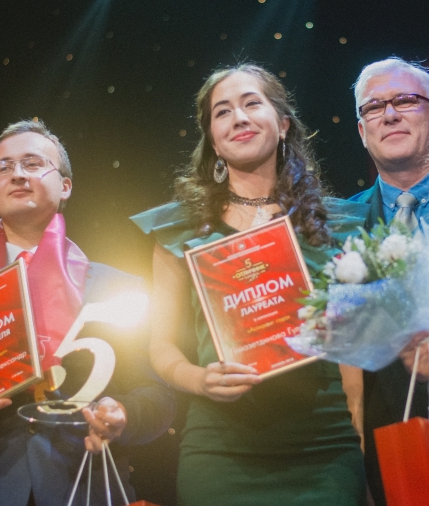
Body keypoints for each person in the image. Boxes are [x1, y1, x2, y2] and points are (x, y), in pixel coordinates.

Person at [0, 120, 175, 506]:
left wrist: (124, 414)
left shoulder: (115, 287)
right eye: (4, 168)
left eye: (32, 163)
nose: (18, 174)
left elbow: (158, 394)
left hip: (86, 488)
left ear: (65, 186)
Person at [130, 64, 367, 505]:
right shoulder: (179, 230)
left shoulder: (338, 224)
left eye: (251, 103)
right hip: (220, 450)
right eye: (222, 112)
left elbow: (354, 340)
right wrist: (200, 380)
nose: (238, 118)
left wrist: (358, 422)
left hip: (326, 445)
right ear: (212, 138)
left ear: (283, 124)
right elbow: (160, 345)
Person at [347, 57, 429, 506]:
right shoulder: (335, 226)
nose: (389, 115)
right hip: (387, 451)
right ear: (362, 130)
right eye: (373, 107)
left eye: (405, 100)